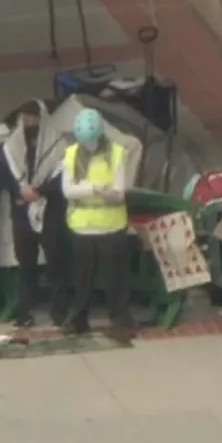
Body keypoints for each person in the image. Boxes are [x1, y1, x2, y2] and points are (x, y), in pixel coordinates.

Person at [60, 108, 135, 341]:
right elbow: (67, 190)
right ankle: (78, 318)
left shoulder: (116, 153)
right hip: (82, 227)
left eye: (92, 141)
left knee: (115, 278)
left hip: (111, 226)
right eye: (85, 142)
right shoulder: (71, 154)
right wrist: (95, 188)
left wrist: (94, 190)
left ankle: (120, 318)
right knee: (83, 277)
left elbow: (120, 191)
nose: (88, 146)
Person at [0, 100, 69, 329]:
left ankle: (59, 311)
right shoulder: (11, 146)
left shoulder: (58, 144)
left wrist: (37, 192)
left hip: (50, 210)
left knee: (56, 262)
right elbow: (6, 175)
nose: (29, 122)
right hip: (21, 210)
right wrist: (20, 190)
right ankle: (23, 312)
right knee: (25, 264)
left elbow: (61, 178)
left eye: (33, 117)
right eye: (26, 117)